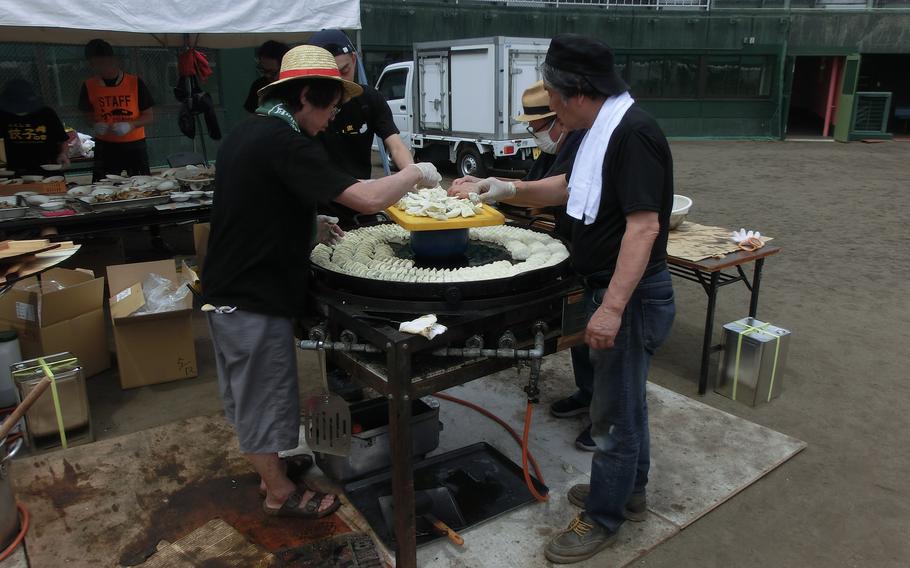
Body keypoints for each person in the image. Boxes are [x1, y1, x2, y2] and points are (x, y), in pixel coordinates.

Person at [455, 34, 676, 564]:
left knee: (613, 417)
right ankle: (631, 492)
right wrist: (503, 189)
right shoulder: (598, 131)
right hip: (610, 285)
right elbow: (564, 188)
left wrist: (612, 307)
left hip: (633, 294)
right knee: (625, 406)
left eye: (552, 94)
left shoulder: (633, 133)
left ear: (578, 90)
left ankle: (603, 515)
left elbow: (644, 228)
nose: (548, 106)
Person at [201, 45, 441, 520]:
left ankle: (272, 462)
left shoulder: (250, 132)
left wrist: (310, 223)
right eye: (331, 107)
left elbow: (255, 207)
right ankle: (278, 492)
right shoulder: (284, 142)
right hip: (252, 299)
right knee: (263, 396)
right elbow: (369, 199)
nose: (333, 119)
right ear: (306, 96)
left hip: (232, 291)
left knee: (255, 392)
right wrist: (415, 172)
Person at [450, 82, 597, 451]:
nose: (533, 134)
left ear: (557, 120)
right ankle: (588, 392)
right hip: (571, 242)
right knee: (580, 326)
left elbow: (557, 191)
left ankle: (604, 417)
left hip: (595, 248)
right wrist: (486, 186)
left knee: (598, 334)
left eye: (536, 126)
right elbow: (531, 187)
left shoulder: (585, 143)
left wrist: (503, 189)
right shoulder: (553, 147)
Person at [307, 29, 414, 228]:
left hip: (362, 207)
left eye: (345, 70)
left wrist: (412, 174)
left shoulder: (370, 100)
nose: (340, 82)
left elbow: (396, 146)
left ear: (354, 60)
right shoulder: (306, 116)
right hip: (322, 207)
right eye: (329, 77)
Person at [79, 38, 154, 181]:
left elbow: (149, 116)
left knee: (142, 184)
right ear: (91, 64)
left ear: (114, 60)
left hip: (135, 145)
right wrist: (95, 124)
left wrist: (131, 125)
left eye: (104, 62)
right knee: (102, 186)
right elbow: (87, 115)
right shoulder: (89, 85)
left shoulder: (135, 83)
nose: (102, 67)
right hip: (105, 147)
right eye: (96, 64)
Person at [0, 79, 69, 176]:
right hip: (14, 173)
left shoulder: (46, 113)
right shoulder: (3, 115)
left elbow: (62, 139)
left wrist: (63, 154)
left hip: (48, 172)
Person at [243, 40, 290, 114]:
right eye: (263, 71)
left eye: (272, 72)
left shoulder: (294, 86)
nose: (267, 75)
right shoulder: (258, 86)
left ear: (284, 67)